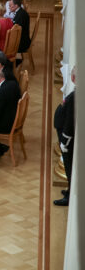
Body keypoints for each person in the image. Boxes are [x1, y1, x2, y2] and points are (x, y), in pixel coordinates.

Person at [0, 68, 21, 157]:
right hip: (14, 118)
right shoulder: (12, 84)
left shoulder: (1, 93)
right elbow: (4, 98)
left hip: (5, 125)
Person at [54, 69, 75, 206]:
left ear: (73, 78)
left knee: (69, 167)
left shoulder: (75, 97)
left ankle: (70, 196)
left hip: (68, 140)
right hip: (65, 136)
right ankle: (69, 190)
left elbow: (70, 121)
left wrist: (65, 142)